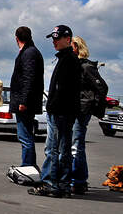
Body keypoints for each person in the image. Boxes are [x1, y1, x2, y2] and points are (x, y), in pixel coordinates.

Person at [29, 25, 81, 198]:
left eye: (57, 38)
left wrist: (53, 107)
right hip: (63, 112)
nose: (54, 41)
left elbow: (64, 90)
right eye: (53, 38)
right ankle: (63, 185)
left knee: (53, 149)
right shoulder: (66, 59)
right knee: (62, 149)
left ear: (68, 39)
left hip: (60, 113)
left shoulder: (69, 60)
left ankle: (52, 184)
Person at [71, 36, 106, 195]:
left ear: (77, 47)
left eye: (70, 46)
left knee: (76, 146)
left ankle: (78, 181)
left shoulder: (86, 67)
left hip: (81, 111)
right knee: (77, 145)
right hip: (75, 110)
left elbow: (102, 87)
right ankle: (80, 180)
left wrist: (93, 107)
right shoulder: (75, 65)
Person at [9, 26, 45, 168]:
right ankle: (29, 166)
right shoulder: (31, 51)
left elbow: (28, 78)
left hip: (25, 103)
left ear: (16, 38)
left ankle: (28, 166)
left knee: (25, 136)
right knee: (26, 135)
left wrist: (23, 101)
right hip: (27, 101)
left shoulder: (29, 53)